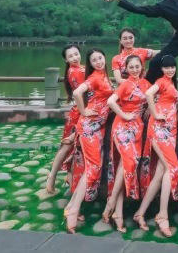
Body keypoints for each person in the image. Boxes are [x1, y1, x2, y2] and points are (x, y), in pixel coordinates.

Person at [63, 48, 114, 234]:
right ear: (90, 63)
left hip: (98, 128)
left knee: (91, 167)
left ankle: (71, 206)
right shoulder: (94, 77)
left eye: (100, 58)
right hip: (90, 127)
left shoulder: (103, 75)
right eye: (94, 60)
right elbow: (77, 92)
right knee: (93, 168)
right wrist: (83, 111)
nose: (99, 62)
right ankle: (73, 210)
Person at [133, 55, 178, 237]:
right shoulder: (161, 81)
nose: (170, 70)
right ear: (162, 69)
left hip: (171, 131)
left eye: (173, 67)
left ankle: (140, 213)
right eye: (167, 67)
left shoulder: (171, 83)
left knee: (161, 173)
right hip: (160, 130)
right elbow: (148, 94)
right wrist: (155, 113)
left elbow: (173, 103)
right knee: (172, 167)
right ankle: (162, 214)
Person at [103, 55, 151, 233]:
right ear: (126, 69)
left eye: (137, 66)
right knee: (128, 163)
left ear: (141, 67)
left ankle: (118, 213)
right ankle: (110, 206)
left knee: (126, 166)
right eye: (131, 67)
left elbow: (155, 99)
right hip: (122, 126)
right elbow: (110, 102)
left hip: (137, 128)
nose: (135, 69)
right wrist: (124, 115)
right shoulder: (125, 84)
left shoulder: (146, 84)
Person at [45, 44, 85, 194]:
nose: (75, 57)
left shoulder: (81, 68)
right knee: (68, 146)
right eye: (71, 56)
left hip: (81, 111)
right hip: (80, 113)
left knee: (73, 147)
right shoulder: (75, 72)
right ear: (66, 59)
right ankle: (52, 177)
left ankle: (68, 177)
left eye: (76, 54)